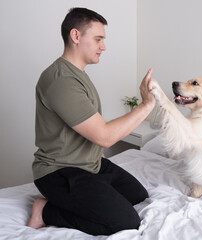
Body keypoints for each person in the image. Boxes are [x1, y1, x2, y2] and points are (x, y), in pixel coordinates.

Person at [27, 7, 156, 236]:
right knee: (127, 221)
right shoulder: (61, 80)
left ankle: (86, 196)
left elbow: (86, 127)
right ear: (76, 36)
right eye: (98, 39)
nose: (103, 46)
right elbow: (104, 135)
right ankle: (45, 211)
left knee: (138, 195)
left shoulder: (77, 74)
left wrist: (94, 153)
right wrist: (146, 105)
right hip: (60, 172)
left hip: (89, 164)